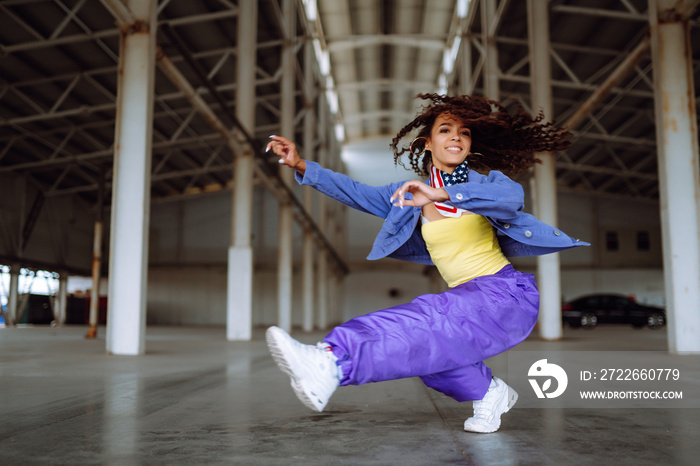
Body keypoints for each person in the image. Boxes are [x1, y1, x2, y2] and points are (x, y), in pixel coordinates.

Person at [264, 93, 588, 434]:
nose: (455, 138)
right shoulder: (408, 194)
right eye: (446, 130)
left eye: (464, 133)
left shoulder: (488, 184)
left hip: (504, 295)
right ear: (427, 143)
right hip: (466, 296)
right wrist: (301, 164)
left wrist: (442, 194)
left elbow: (511, 200)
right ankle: (490, 393)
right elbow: (354, 190)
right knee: (427, 354)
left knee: (426, 321)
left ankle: (331, 360)